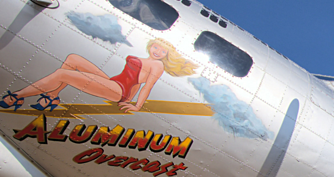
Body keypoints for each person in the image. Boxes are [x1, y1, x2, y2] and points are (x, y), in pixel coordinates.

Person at [0, 38, 196, 113]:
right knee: (73, 58)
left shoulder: (157, 66)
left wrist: (137, 106)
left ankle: (16, 97)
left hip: (120, 91)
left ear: (166, 55)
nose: (158, 52)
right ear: (150, 46)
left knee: (63, 74)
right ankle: (52, 96)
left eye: (163, 52)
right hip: (113, 82)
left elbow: (147, 87)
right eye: (156, 47)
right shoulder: (146, 58)